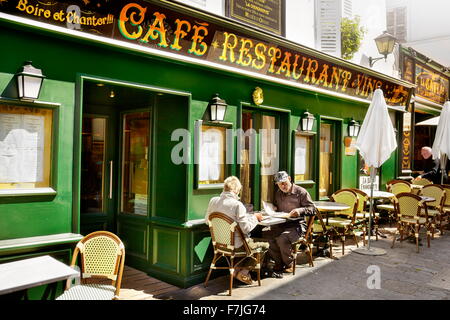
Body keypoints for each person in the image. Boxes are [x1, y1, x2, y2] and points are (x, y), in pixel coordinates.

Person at [206, 176, 269, 285]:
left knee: (248, 243)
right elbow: (246, 229)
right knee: (265, 245)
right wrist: (255, 217)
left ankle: (235, 271)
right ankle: (243, 272)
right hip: (237, 245)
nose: (238, 194)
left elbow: (208, 221)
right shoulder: (237, 205)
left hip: (219, 244)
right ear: (235, 190)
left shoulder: (213, 201)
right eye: (239, 191)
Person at [263, 171, 315, 277]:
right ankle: (279, 263)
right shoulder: (278, 193)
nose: (283, 186)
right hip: (281, 223)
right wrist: (272, 209)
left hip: (298, 225)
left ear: (290, 179)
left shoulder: (301, 192)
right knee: (267, 236)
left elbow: (312, 209)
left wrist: (299, 211)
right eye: (280, 184)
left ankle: (289, 264)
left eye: (285, 183)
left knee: (283, 238)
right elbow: (277, 208)